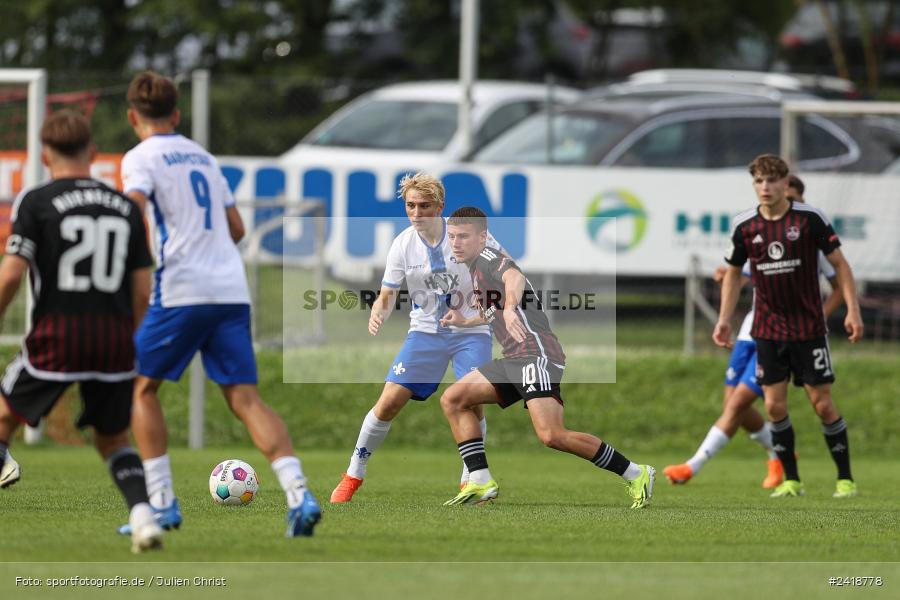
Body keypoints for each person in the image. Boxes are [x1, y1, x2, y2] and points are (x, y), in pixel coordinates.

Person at [117, 71, 320, 537]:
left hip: (181, 289)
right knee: (246, 398)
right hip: (230, 290)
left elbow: (132, 209)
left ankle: (163, 504)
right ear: (177, 114)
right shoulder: (205, 158)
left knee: (140, 390)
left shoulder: (140, 157)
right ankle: (299, 494)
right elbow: (236, 229)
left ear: (132, 117)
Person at [0, 110, 163, 553]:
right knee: (113, 438)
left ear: (45, 155)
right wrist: (129, 338)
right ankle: (144, 517)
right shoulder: (126, 208)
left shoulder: (35, 202)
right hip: (113, 341)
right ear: (92, 152)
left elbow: (12, 275)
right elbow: (142, 290)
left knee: (3, 414)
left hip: (56, 336)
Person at [437, 206, 655, 508]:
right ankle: (480, 479)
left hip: (535, 354)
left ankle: (636, 472)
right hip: (514, 358)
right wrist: (466, 321)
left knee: (552, 435)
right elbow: (493, 312)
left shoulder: (489, 259)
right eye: (452, 237)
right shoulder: (475, 269)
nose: (456, 242)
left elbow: (514, 277)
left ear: (483, 237)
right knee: (454, 399)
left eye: (463, 236)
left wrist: (511, 306)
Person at [330, 172, 502, 503]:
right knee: (388, 402)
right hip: (425, 331)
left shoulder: (470, 234)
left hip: (472, 330)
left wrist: (484, 305)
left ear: (440, 206)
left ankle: (472, 477)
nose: (417, 212)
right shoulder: (403, 244)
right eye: (411, 205)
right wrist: (378, 309)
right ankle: (353, 475)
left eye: (425, 206)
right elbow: (387, 293)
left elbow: (504, 276)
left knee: (471, 398)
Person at [664, 176, 844, 487]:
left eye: (792, 198)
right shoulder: (761, 233)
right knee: (733, 405)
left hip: (780, 334)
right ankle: (778, 454)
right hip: (750, 331)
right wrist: (727, 275)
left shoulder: (811, 242)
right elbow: (741, 273)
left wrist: (818, 318)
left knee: (738, 405)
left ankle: (692, 467)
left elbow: (840, 283)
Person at [714, 154, 863, 499]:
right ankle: (792, 480)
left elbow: (841, 266)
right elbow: (733, 272)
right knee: (774, 407)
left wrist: (852, 311)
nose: (765, 187)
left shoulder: (809, 220)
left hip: (808, 328)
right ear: (754, 184)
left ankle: (845, 479)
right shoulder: (744, 226)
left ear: (785, 183)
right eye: (759, 181)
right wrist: (724, 319)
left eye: (772, 180)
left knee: (822, 404)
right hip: (767, 329)